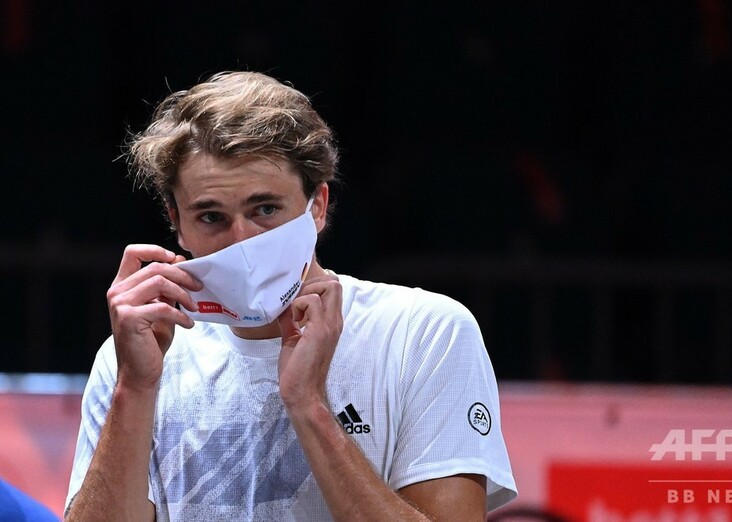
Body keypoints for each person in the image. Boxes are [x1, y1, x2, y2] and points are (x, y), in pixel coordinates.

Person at [64, 71, 516, 521]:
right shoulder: (134, 359)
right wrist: (135, 388)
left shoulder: (424, 333)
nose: (242, 241)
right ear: (176, 223)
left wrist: (309, 404)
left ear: (317, 206)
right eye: (211, 217)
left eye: (265, 209)